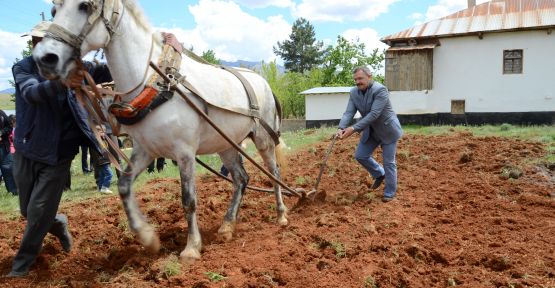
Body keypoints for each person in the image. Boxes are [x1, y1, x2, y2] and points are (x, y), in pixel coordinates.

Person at [9, 21, 112, 277]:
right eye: (36, 41)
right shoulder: (23, 68)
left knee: (37, 211)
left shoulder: (75, 66)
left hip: (59, 153)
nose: (40, 46)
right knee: (29, 211)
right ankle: (58, 223)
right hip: (27, 148)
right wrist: (61, 83)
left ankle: (22, 265)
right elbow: (31, 93)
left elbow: (107, 71)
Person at [336, 66, 403, 202]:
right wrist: (341, 127)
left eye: (360, 78)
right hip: (371, 131)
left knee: (389, 162)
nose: (357, 82)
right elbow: (349, 112)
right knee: (360, 155)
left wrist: (353, 129)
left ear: (369, 76)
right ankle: (379, 173)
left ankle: (390, 193)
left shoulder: (380, 90)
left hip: (387, 130)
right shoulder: (354, 92)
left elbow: (374, 114)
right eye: (355, 79)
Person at [0, 109, 17, 195]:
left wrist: (1, 133)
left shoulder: (1, 113)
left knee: (8, 168)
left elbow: (9, 127)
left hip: (3, 147)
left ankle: (13, 191)